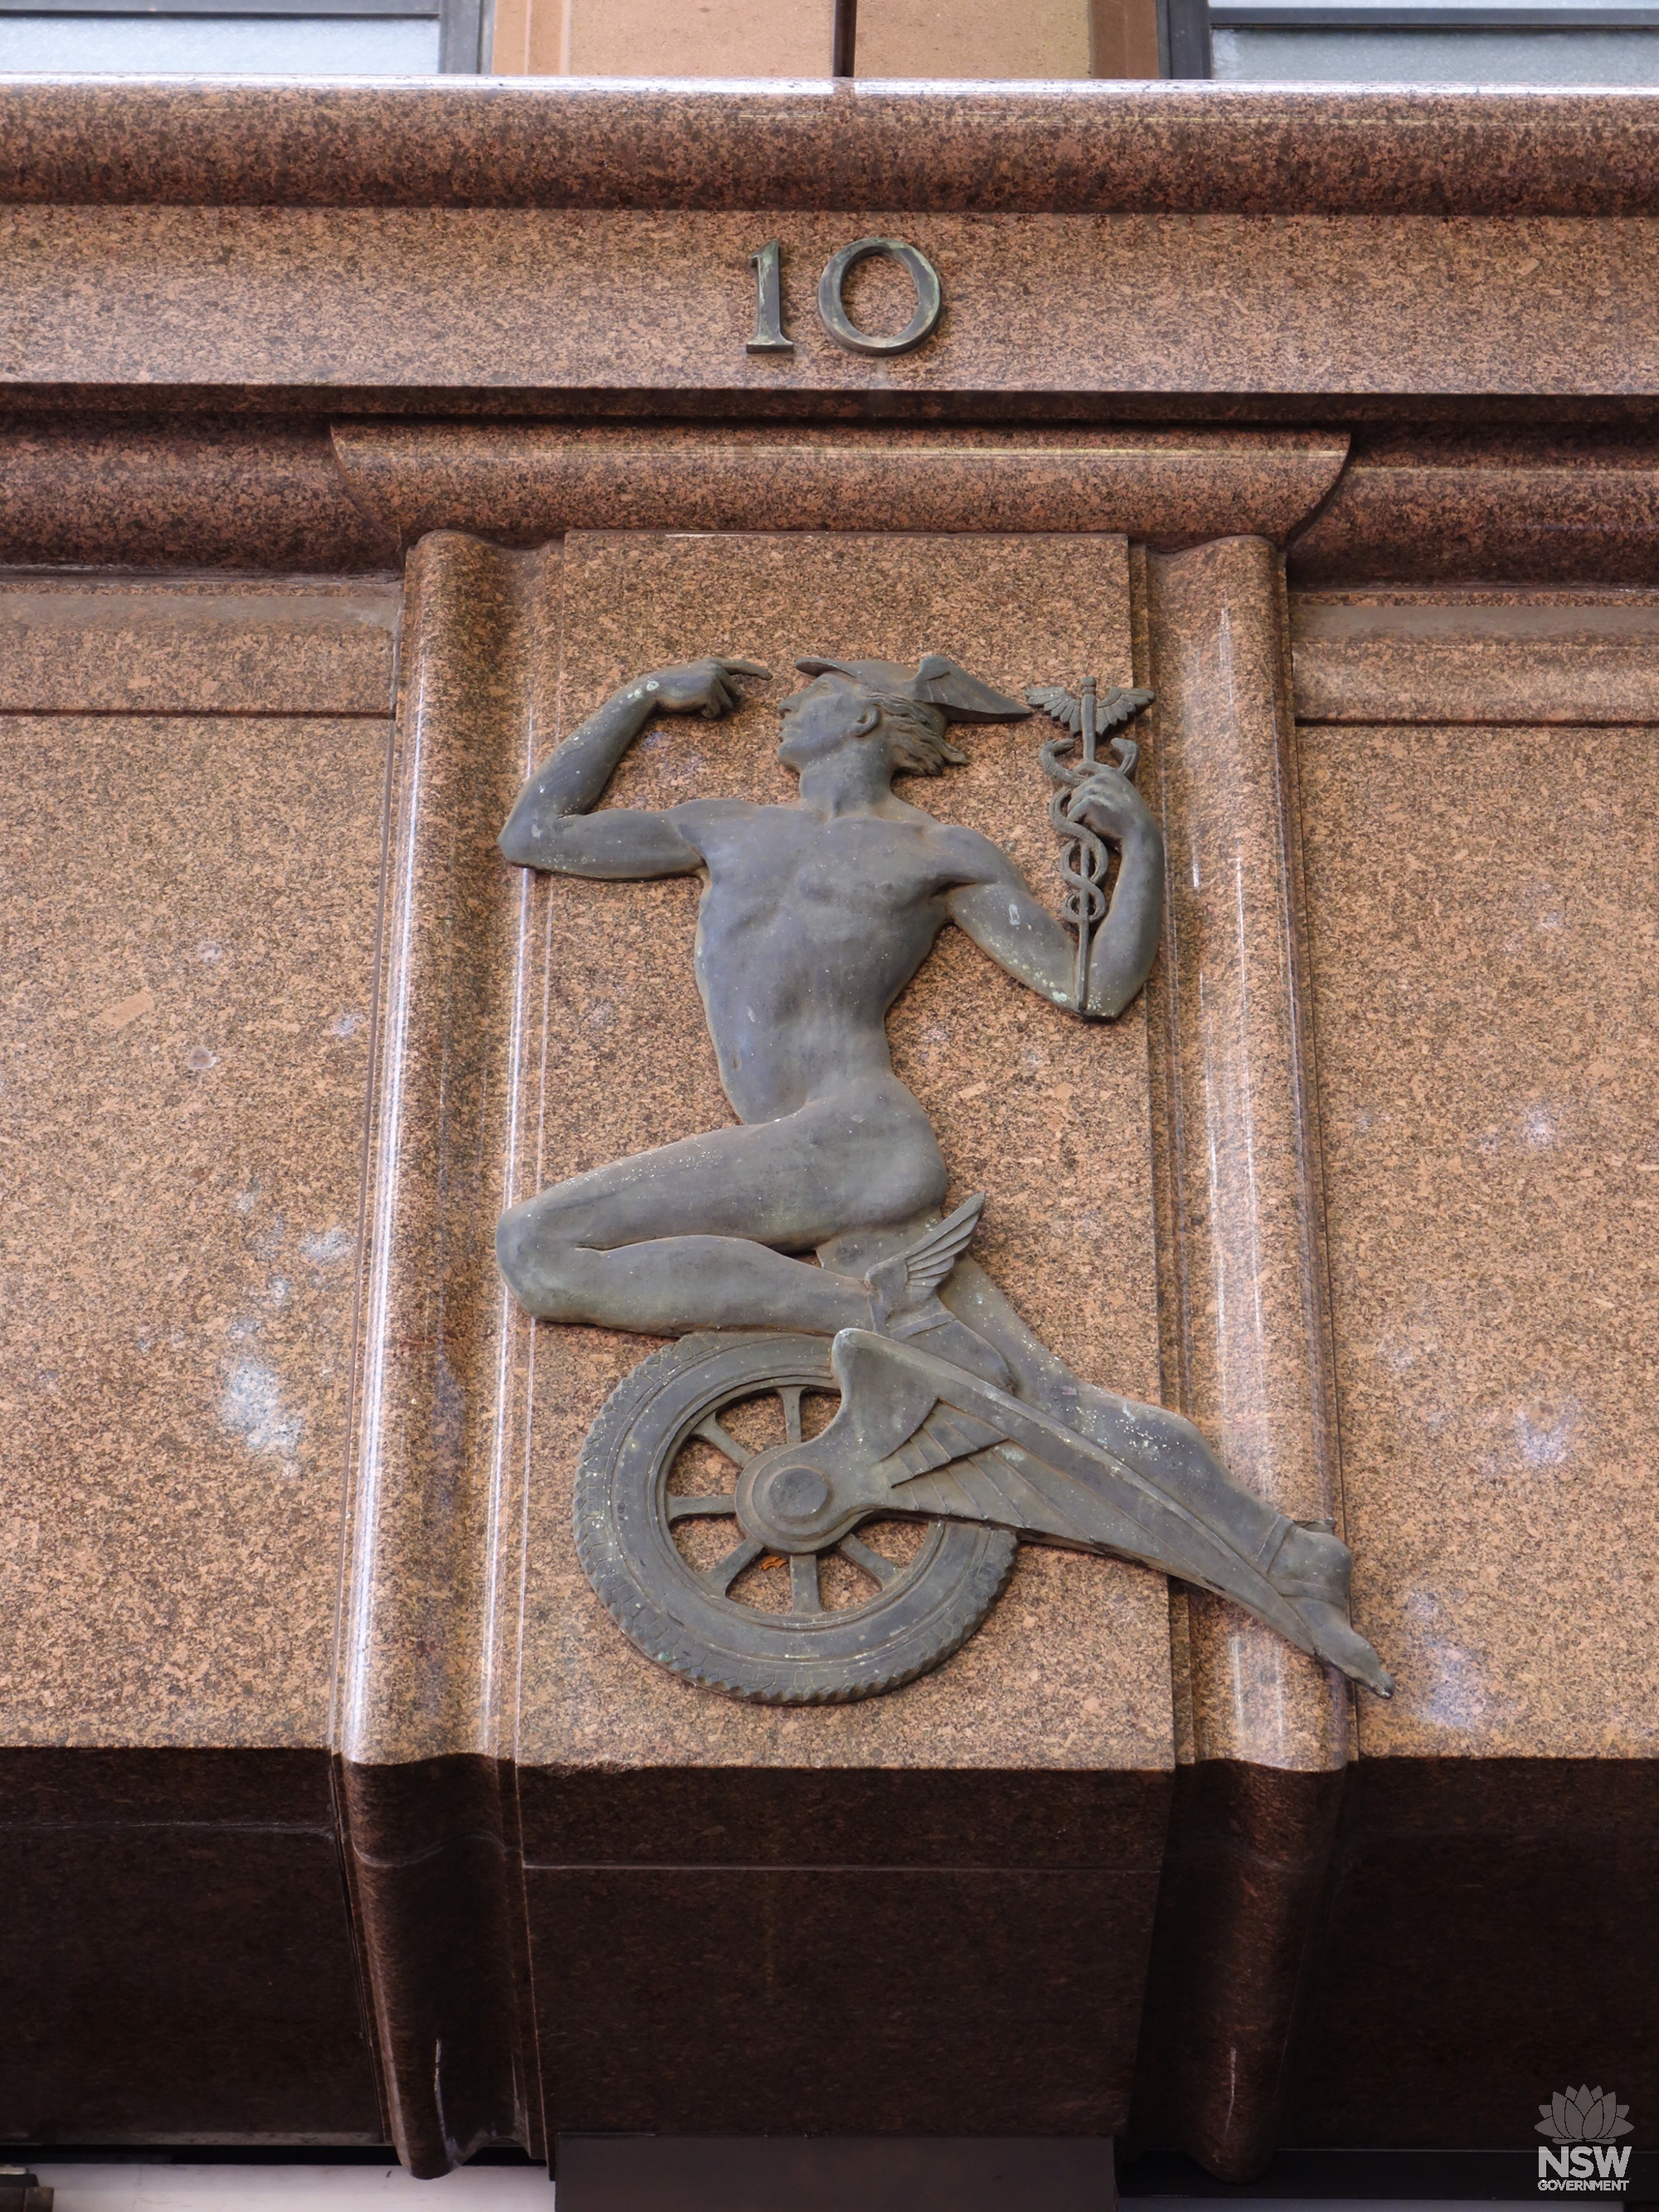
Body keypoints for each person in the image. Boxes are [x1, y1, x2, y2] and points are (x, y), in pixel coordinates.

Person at [494, 651, 1391, 1695]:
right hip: (817, 1163)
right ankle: (1283, 1552)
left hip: (856, 1141)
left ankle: (866, 1306)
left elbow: (1093, 985)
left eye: (817, 691)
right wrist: (637, 696)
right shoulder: (721, 824)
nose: (789, 702)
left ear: (868, 718)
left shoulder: (937, 851)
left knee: (539, 1243)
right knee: (1050, 1402)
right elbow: (534, 834)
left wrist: (1136, 844)